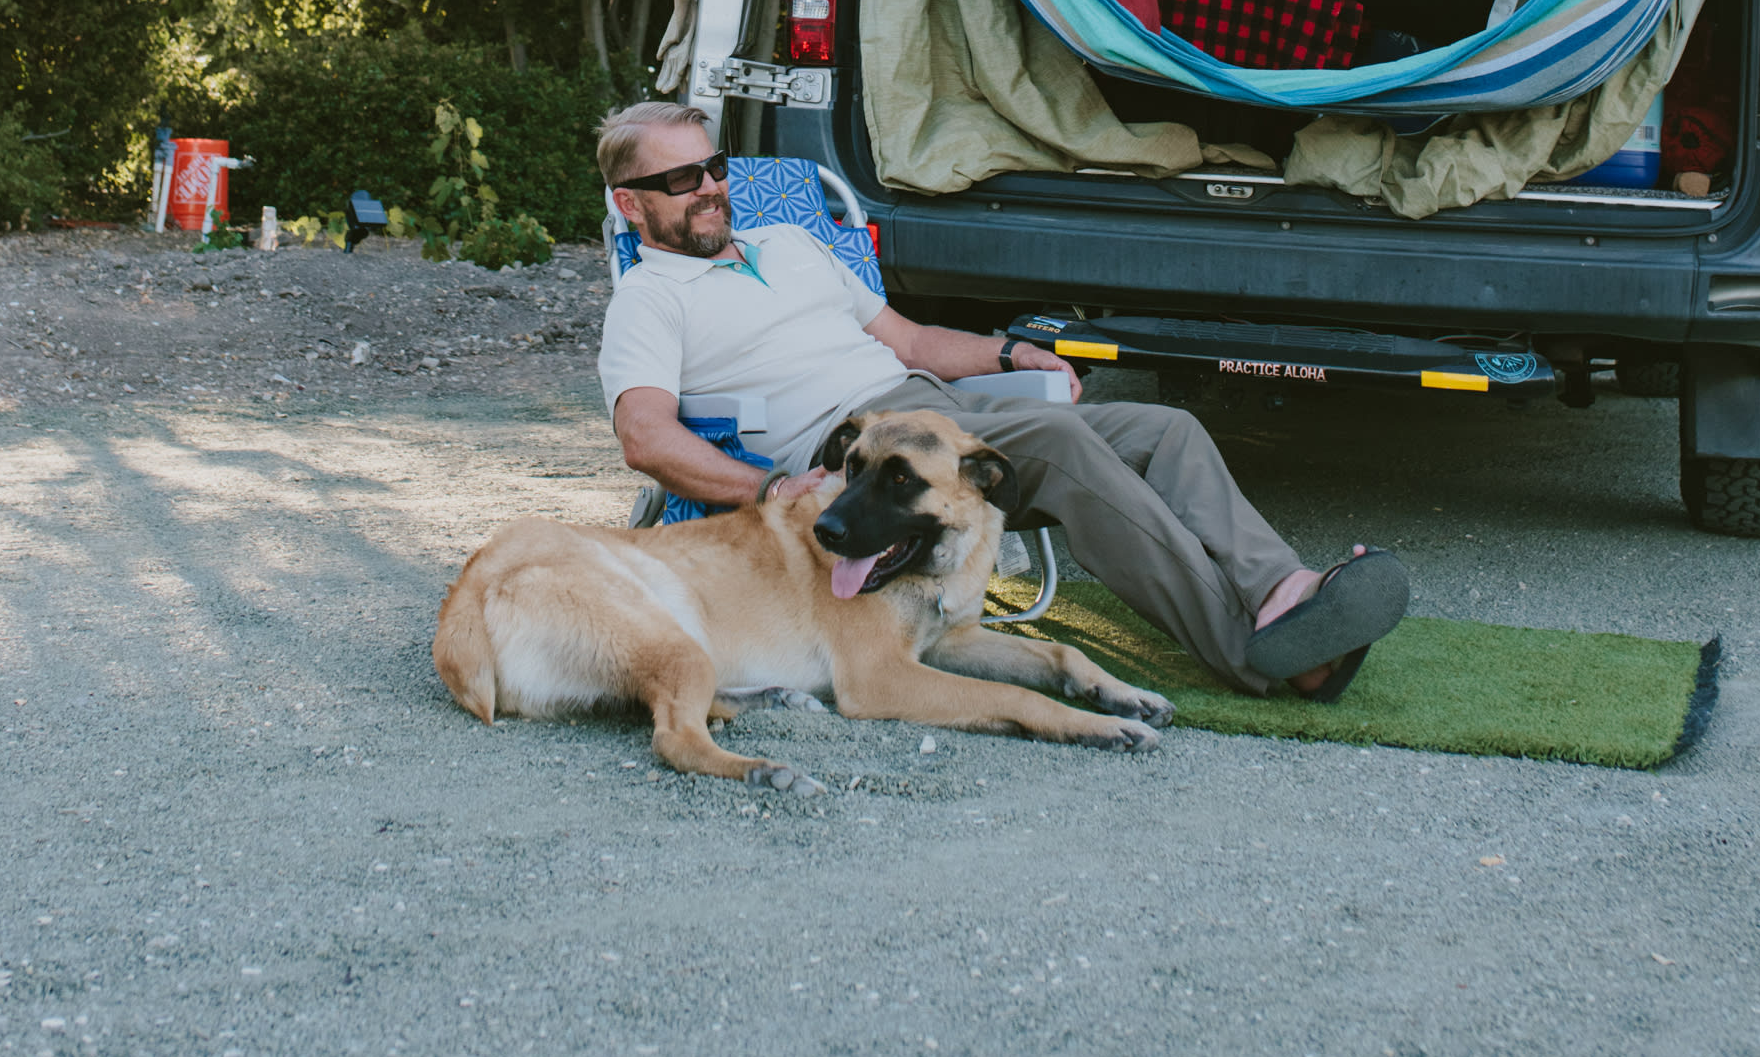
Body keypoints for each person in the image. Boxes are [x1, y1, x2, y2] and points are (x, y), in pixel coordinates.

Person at [595, 101, 1409, 702]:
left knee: (1166, 429)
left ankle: (1277, 590)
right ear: (630, 203)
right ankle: (1257, 654)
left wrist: (1007, 351)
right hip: (858, 452)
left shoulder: (791, 243)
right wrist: (767, 487)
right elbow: (644, 435)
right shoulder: (650, 298)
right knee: (1059, 444)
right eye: (678, 179)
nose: (708, 187)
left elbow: (909, 342)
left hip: (931, 408)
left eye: (714, 167)